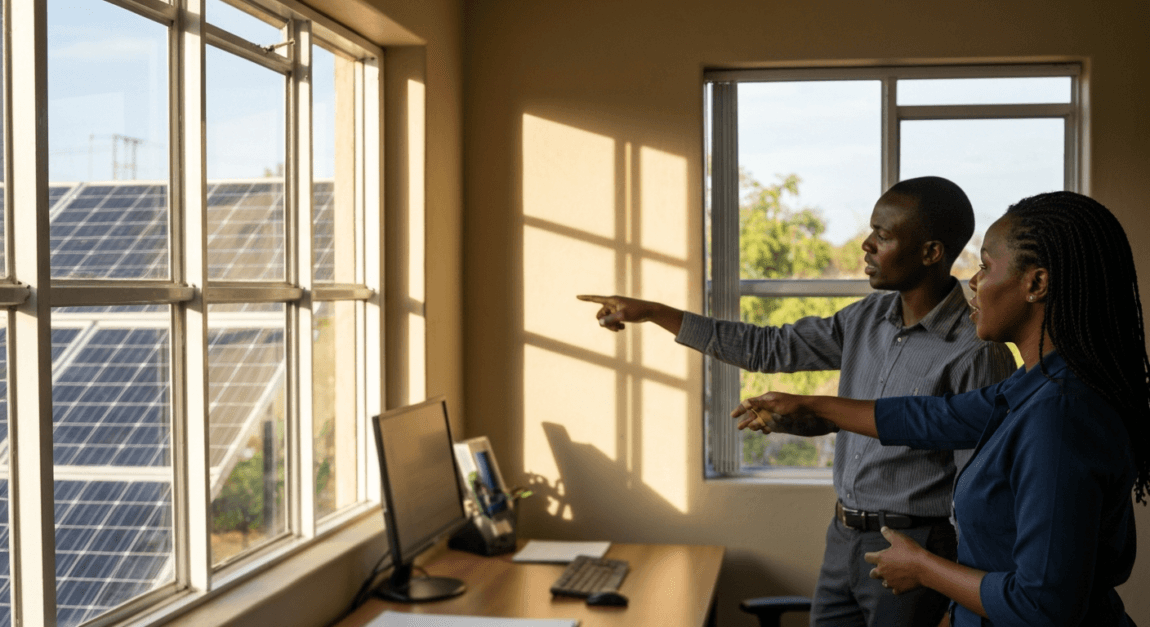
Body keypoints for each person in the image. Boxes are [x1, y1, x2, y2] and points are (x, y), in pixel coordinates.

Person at [579, 176, 1017, 627]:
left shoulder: (976, 351)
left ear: (931, 253)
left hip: (918, 547)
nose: (866, 245)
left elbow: (982, 489)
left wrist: (959, 599)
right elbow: (768, 348)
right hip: (844, 536)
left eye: (883, 236)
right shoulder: (867, 318)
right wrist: (654, 313)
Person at [736, 191, 1147, 626]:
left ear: (1036, 284)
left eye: (986, 267)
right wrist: (812, 406)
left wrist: (923, 568)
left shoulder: (1058, 416)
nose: (974, 281)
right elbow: (933, 417)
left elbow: (1042, 606)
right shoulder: (1031, 388)